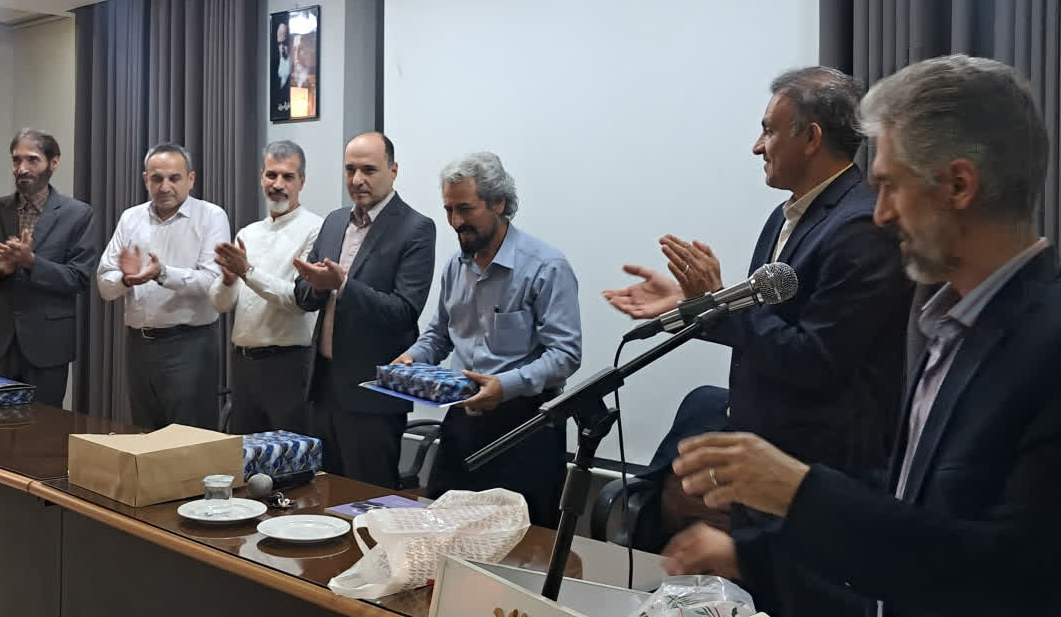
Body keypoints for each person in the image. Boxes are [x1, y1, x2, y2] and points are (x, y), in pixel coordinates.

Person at [666, 54, 1060, 617]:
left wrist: (800, 493)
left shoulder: (1045, 345)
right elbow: (907, 506)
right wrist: (753, 552)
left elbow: (1009, 572)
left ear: (958, 185)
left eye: (890, 186)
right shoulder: (949, 326)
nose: (879, 215)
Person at [604, 67, 912, 616]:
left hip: (813, 477)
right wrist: (689, 305)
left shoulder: (860, 226)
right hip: (761, 471)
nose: (756, 146)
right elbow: (766, 329)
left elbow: (818, 360)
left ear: (811, 137)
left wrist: (716, 301)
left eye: (768, 130)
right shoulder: (785, 216)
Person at [395, 152, 581, 526]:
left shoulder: (546, 266)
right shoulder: (455, 265)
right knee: (443, 533)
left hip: (526, 427)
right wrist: (413, 357)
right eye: (449, 209)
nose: (455, 222)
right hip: (461, 422)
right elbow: (440, 335)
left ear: (499, 203)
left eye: (465, 209)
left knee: (522, 544)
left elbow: (565, 354)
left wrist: (506, 385)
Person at [294, 131, 436, 488]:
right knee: (324, 494)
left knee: (368, 499)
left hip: (373, 394)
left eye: (369, 170)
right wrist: (317, 285)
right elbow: (304, 295)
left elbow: (404, 312)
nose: (357, 180)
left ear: (393, 171)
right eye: (350, 170)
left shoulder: (416, 228)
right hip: (323, 386)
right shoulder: (334, 221)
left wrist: (343, 286)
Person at [97, 143, 231, 430]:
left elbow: (212, 282)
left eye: (174, 178)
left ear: (191, 179)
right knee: (145, 434)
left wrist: (162, 273)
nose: (165, 187)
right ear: (146, 180)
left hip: (190, 344)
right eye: (157, 179)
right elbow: (105, 286)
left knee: (189, 439)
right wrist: (126, 279)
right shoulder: (131, 218)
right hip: (138, 346)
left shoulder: (211, 216)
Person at [0, 129, 97, 408]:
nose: (22, 168)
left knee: (43, 428)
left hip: (48, 344)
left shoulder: (78, 215)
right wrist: (4, 267)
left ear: (54, 163)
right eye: (16, 160)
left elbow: (78, 278)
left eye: (32, 160)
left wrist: (31, 262)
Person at [209, 140, 323, 434]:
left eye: (288, 176)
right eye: (271, 175)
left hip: (288, 364)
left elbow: (298, 301)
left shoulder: (316, 229)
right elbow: (221, 304)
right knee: (245, 453)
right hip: (243, 364)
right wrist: (228, 279)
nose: (278, 184)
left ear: (302, 182)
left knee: (289, 453)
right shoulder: (248, 232)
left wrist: (247, 272)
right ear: (262, 177)